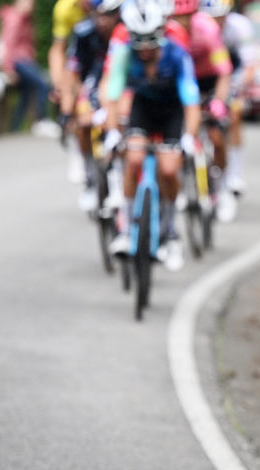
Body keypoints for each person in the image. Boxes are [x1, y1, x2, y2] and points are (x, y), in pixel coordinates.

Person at [102, 0, 202, 272]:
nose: (145, 48)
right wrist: (112, 132)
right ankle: (125, 228)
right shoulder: (124, 54)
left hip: (172, 111)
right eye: (138, 41)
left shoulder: (177, 55)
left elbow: (192, 102)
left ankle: (171, 233)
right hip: (142, 109)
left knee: (169, 169)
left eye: (151, 41)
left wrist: (189, 138)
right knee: (133, 158)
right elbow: (112, 96)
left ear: (162, 34)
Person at [167, 0, 237, 222]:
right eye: (178, 17)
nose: (183, 22)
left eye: (188, 16)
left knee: (216, 137)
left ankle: (223, 188)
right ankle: (181, 183)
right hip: (181, 82)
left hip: (209, 81)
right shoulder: (167, 32)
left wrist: (218, 101)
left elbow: (224, 71)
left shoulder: (208, 29)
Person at [62, 0, 124, 212]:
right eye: (99, 15)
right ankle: (89, 177)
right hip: (93, 81)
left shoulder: (128, 31)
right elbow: (73, 74)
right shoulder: (83, 33)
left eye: (109, 15)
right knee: (83, 122)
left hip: (120, 83)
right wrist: (67, 110)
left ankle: (119, 178)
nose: (103, 21)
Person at [199, 0, 254, 200]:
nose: (217, 22)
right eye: (212, 18)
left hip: (232, 75)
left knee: (235, 114)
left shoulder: (239, 26)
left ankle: (234, 174)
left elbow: (248, 64)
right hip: (204, 77)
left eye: (221, 18)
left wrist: (240, 89)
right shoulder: (198, 29)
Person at [48, 0, 91, 181]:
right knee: (70, 91)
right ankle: (78, 150)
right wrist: (58, 83)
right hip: (78, 60)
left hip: (106, 55)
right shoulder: (64, 8)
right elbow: (58, 49)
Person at [0, 0, 55, 133]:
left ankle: (14, 128)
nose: (31, 6)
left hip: (26, 60)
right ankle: (41, 120)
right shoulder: (15, 18)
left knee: (26, 94)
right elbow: (8, 44)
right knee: (41, 84)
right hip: (17, 61)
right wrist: (8, 68)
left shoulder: (27, 19)